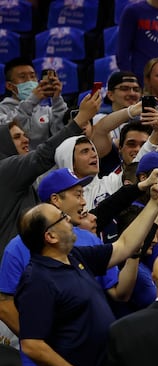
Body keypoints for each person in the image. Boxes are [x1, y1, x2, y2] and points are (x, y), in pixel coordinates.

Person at [14, 179, 158, 366]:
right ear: (50, 236)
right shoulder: (38, 281)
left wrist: (154, 204)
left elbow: (123, 246)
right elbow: (32, 345)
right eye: (62, 218)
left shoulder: (74, 257)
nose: (70, 219)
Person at [0, 93, 100, 256]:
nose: (26, 140)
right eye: (17, 137)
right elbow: (42, 156)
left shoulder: (17, 178)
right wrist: (79, 120)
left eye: (25, 135)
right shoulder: (6, 170)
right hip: (16, 266)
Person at [0, 57, 66, 150]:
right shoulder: (2, 110)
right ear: (10, 86)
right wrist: (31, 101)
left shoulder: (47, 110)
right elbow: (7, 135)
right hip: (13, 162)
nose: (29, 81)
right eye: (22, 77)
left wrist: (57, 99)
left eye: (32, 76)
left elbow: (61, 136)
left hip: (44, 161)